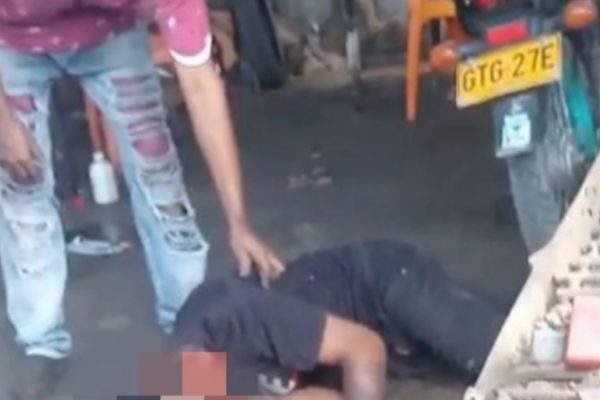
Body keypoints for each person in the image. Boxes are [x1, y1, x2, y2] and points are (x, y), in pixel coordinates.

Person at [0, 1, 284, 399]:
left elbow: (201, 86)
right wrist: (4, 123)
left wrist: (239, 223)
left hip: (112, 37)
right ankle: (41, 344)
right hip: (12, 43)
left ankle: (187, 327)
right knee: (23, 191)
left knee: (159, 176)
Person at [173, 239, 507, 399]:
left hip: (380, 286)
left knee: (508, 357)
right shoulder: (177, 379)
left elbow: (364, 347)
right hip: (382, 361)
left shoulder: (224, 318)